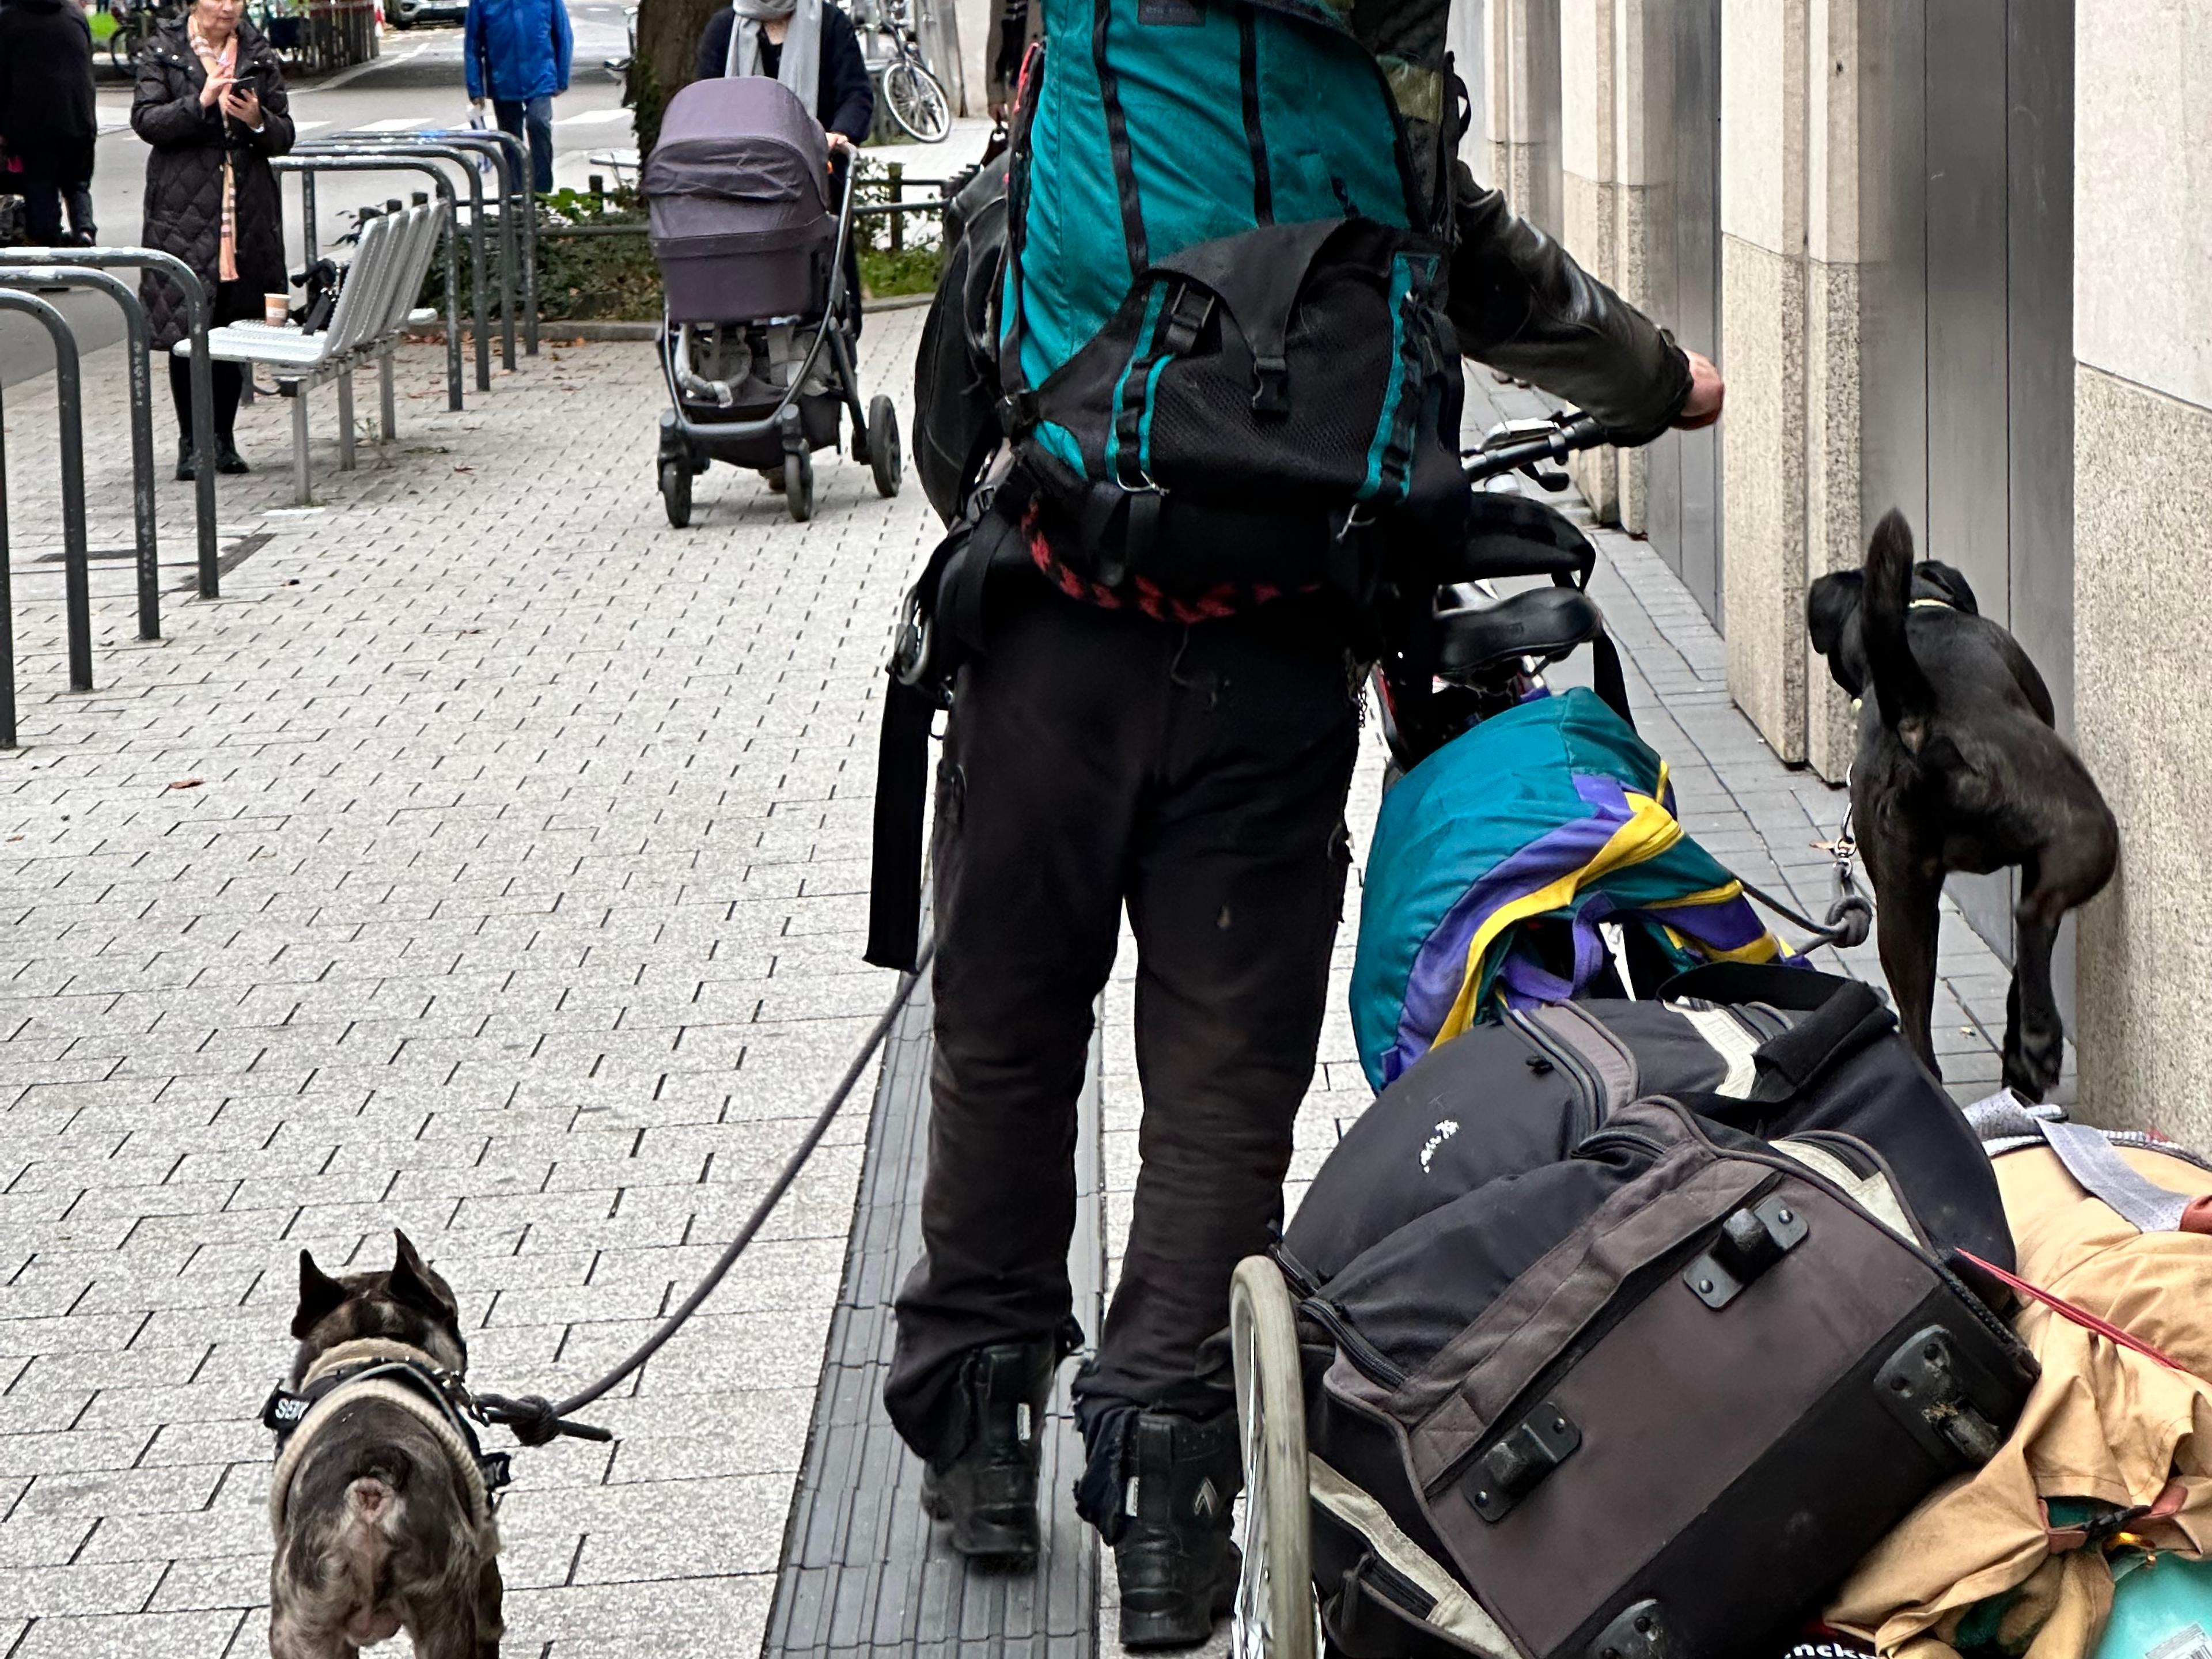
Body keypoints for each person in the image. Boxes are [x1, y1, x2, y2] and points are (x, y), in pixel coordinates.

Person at [879, 0, 1725, 1647]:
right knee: (1220, 1093)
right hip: (1277, 645)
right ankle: (1176, 1512)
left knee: (1004, 1035)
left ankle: (982, 1436)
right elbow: (1476, 257)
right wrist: (1651, 374)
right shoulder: (1390, 32)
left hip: (1053, 620)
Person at [131, 0, 293, 479]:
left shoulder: (258, 52)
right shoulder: (163, 50)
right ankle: (192, 443)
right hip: (184, 207)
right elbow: (147, 121)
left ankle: (223, 439)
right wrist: (200, 102)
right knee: (188, 327)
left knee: (232, 323)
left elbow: (284, 135)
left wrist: (258, 118)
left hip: (245, 206)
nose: (227, 8)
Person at [695, 0, 870, 336]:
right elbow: (705, 100)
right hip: (740, 182)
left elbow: (856, 94)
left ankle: (833, 340)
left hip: (815, 179)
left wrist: (837, 134)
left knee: (828, 265)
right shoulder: (723, 30)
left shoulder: (830, 24)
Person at [0, 0, 100, 247]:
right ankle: (85, 233)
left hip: (35, 124)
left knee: (41, 188)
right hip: (79, 117)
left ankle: (50, 252)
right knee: (77, 183)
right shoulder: (74, 15)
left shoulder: (8, 21)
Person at [464, 0, 572, 195]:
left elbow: (563, 36)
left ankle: (541, 192)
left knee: (538, 123)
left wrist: (561, 77)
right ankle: (516, 196)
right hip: (503, 79)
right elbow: (473, 45)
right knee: (510, 139)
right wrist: (476, 88)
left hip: (540, 75)